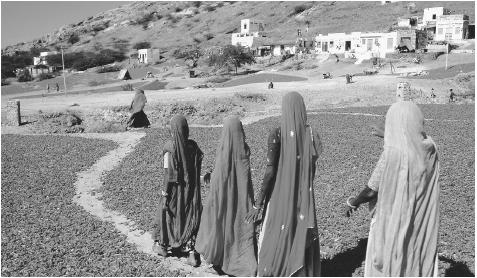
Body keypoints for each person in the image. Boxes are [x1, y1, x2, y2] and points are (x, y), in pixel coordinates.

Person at [345, 101, 440, 276]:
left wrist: (353, 202)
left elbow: (371, 190)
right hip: (421, 220)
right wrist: (390, 136)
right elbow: (408, 143)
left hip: (394, 221)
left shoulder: (393, 152)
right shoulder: (430, 148)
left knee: (392, 264)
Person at [245, 92, 323, 276]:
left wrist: (258, 203)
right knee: (299, 234)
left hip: (280, 197)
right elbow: (312, 169)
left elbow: (270, 171)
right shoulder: (311, 134)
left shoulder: (277, 133)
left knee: (274, 238)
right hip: (303, 198)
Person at [196, 116, 257, 276]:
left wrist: (209, 180)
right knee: (239, 228)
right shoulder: (244, 150)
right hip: (242, 202)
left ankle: (221, 260)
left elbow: (219, 179)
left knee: (221, 224)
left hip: (224, 199)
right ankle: (242, 262)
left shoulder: (224, 150)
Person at [152, 115, 204, 267]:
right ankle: (191, 251)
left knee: (167, 214)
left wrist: (165, 193)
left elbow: (169, 175)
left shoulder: (170, 148)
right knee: (188, 216)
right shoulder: (193, 146)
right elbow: (195, 166)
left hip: (175, 192)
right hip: (190, 190)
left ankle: (162, 245)